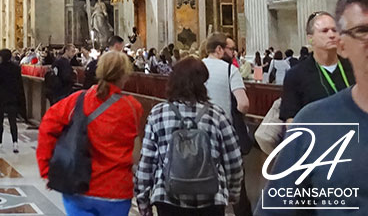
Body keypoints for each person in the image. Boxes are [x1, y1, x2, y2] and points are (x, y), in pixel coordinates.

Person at [255, 0, 368, 215]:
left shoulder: (346, 69)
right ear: (343, 45)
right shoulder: (309, 116)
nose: (330, 35)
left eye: (332, 30)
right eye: (363, 31)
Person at [37, 51, 142, 216]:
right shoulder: (133, 107)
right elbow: (135, 155)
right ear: (125, 75)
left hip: (79, 186)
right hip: (115, 190)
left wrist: (46, 169)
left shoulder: (77, 100)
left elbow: (47, 127)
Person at [135, 57, 243, 216]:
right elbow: (233, 159)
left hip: (168, 198)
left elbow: (147, 161)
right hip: (211, 199)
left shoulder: (158, 113)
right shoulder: (216, 114)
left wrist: (143, 201)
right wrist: (233, 192)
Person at [279, 10, 354, 122]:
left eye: (335, 30)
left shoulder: (355, 67)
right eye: (325, 31)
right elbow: (291, 119)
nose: (332, 35)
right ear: (311, 38)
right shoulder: (295, 75)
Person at [203, 33, 249, 118]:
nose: (234, 53)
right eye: (231, 49)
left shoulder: (196, 67)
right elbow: (243, 104)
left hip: (200, 122)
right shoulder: (231, 70)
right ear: (219, 49)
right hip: (223, 122)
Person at [0, 48, 26, 152]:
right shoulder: (16, 68)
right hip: (12, 97)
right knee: (12, 121)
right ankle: (15, 142)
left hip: (1, 98)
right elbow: (19, 83)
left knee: (0, 120)